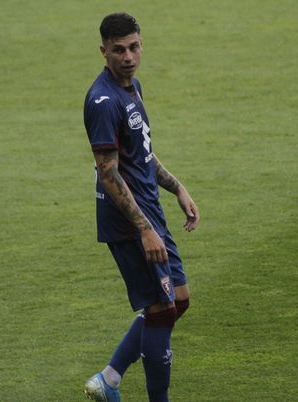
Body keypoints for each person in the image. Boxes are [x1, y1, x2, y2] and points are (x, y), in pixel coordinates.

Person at [83, 12, 200, 402]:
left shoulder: (133, 87)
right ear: (104, 51)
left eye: (134, 47)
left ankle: (109, 379)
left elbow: (142, 154)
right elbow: (108, 173)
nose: (128, 57)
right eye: (119, 50)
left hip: (150, 210)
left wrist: (176, 187)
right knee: (160, 311)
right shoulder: (102, 101)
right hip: (129, 222)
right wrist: (144, 228)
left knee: (178, 300)